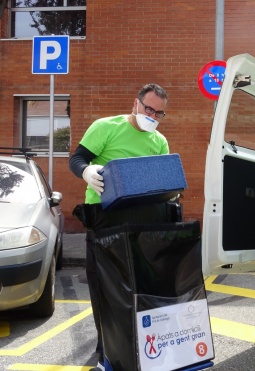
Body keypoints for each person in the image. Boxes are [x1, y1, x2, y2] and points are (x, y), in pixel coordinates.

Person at [69, 83, 170, 371]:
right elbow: (76, 159)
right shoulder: (106, 127)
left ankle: (138, 346)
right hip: (105, 218)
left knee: (137, 287)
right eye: (149, 108)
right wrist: (87, 171)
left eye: (159, 113)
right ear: (135, 103)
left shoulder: (159, 141)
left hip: (143, 221)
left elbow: (162, 178)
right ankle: (106, 352)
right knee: (105, 288)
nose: (152, 115)